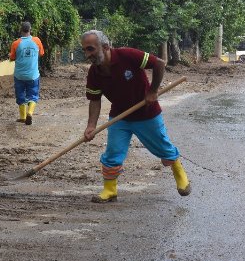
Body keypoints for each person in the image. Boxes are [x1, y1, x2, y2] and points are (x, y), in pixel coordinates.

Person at [81, 30, 191, 203]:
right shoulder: (94, 73)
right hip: (120, 117)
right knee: (112, 153)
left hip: (147, 114)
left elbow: (159, 64)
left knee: (163, 148)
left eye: (90, 49)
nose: (87, 55)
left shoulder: (127, 55)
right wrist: (91, 126)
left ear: (105, 47)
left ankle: (179, 173)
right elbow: (94, 100)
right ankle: (110, 190)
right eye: (85, 51)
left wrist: (152, 90)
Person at [9, 21, 44, 125]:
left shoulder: (16, 43)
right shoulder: (37, 40)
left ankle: (23, 117)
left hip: (19, 75)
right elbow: (41, 53)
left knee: (20, 95)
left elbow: (12, 57)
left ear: (21, 30)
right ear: (30, 29)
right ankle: (30, 113)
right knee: (33, 95)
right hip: (33, 75)